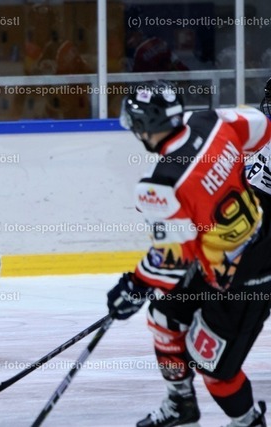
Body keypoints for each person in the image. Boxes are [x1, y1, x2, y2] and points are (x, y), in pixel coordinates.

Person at [107, 80, 271, 427]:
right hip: (226, 255)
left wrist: (134, 285)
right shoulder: (211, 121)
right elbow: (262, 128)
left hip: (246, 277)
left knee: (214, 368)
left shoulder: (161, 183)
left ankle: (249, 422)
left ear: (146, 127)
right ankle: (180, 402)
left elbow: (172, 260)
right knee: (164, 317)